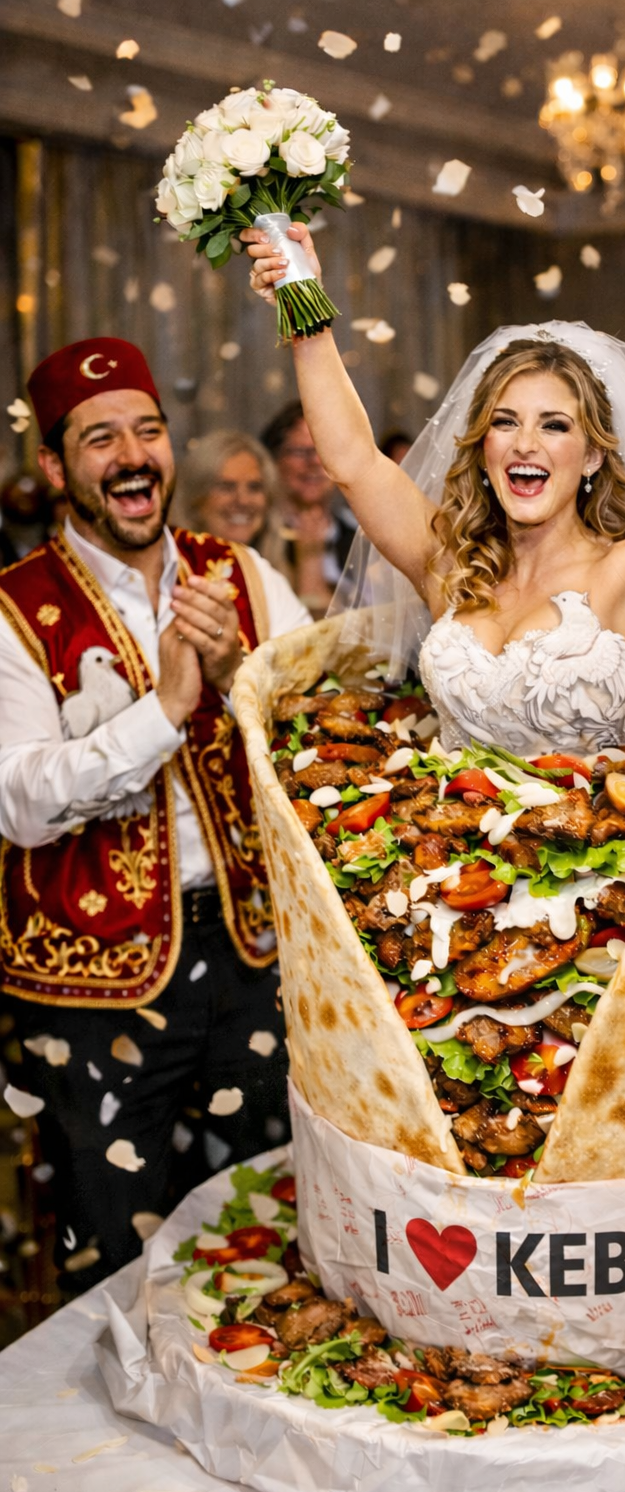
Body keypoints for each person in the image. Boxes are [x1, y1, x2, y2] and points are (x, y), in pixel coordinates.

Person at [244, 222, 625, 742]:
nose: (525, 443)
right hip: (445, 837)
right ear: (484, 448)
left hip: (594, 841)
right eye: (505, 422)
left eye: (554, 425)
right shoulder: (447, 562)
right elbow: (353, 462)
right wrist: (303, 303)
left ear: (591, 458)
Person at [0, 337, 312, 1287]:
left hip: (253, 957)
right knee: (113, 1250)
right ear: (56, 467)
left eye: (148, 431)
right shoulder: (15, 610)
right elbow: (20, 801)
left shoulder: (244, 577)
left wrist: (238, 676)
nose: (132, 456)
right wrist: (167, 709)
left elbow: (317, 741)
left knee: (269, 1223)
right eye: (100, 439)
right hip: (89, 984)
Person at [260, 400, 358, 617]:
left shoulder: (359, 535)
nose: (314, 461)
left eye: (323, 450)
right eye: (300, 452)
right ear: (274, 460)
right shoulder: (258, 534)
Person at [174, 428, 292, 582]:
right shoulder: (170, 576)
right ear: (194, 498)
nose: (243, 500)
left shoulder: (274, 577)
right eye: (226, 487)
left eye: (254, 487)